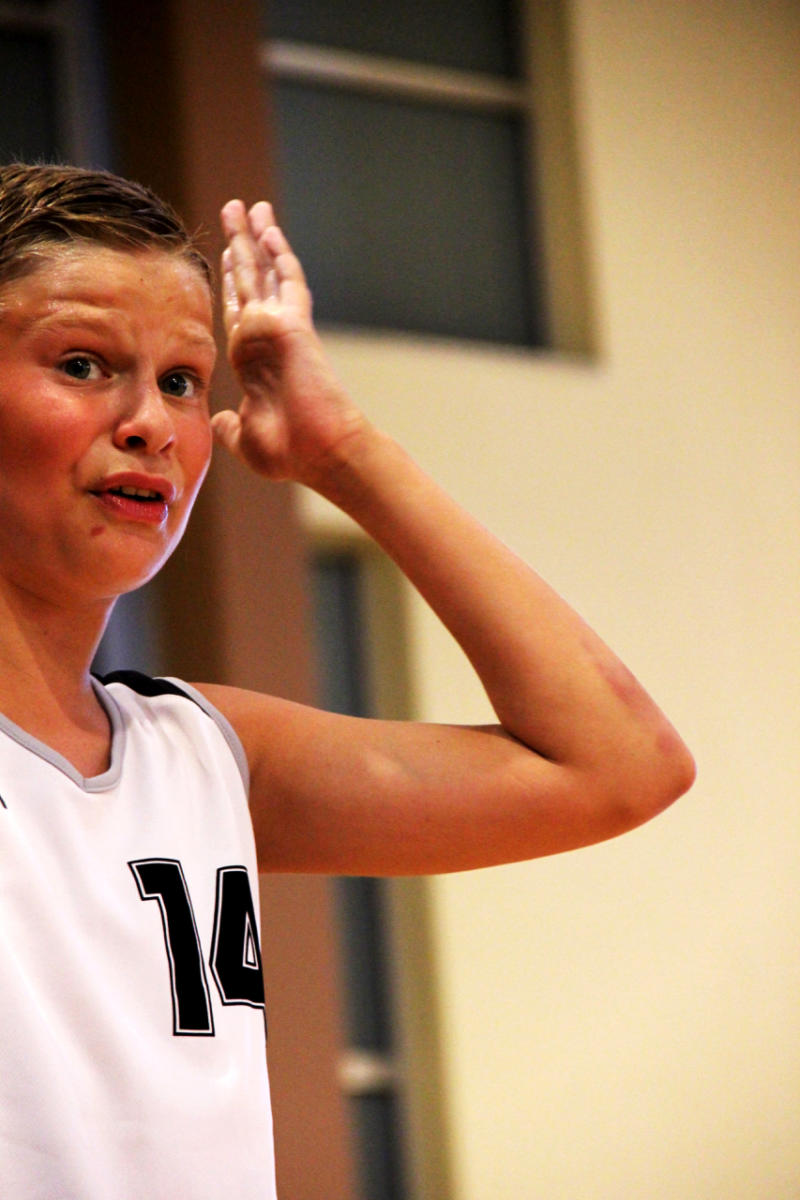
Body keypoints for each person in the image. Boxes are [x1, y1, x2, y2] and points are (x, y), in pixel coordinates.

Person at [0, 162, 694, 1199]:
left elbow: (621, 764)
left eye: (183, 381)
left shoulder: (204, 754)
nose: (150, 421)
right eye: (84, 364)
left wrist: (346, 454)